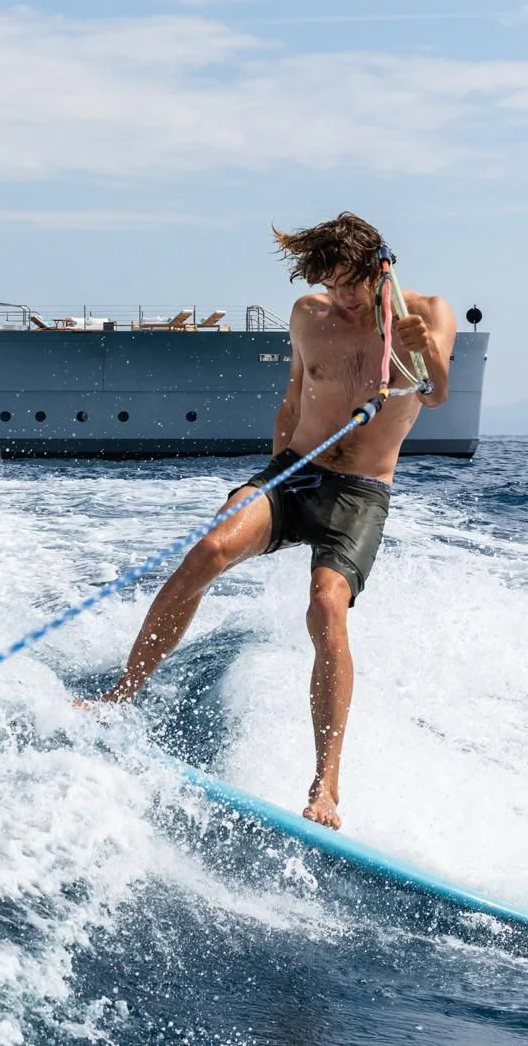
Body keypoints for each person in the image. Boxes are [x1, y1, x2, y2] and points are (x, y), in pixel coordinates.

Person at [93, 213, 454, 830]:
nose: (340, 298)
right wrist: (267, 478)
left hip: (360, 490)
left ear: (379, 269)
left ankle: (325, 788)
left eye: (350, 285)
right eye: (329, 284)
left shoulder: (427, 313)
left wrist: (425, 353)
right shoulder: (308, 316)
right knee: (208, 549)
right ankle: (122, 695)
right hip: (295, 472)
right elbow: (293, 397)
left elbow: (437, 394)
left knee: (325, 606)